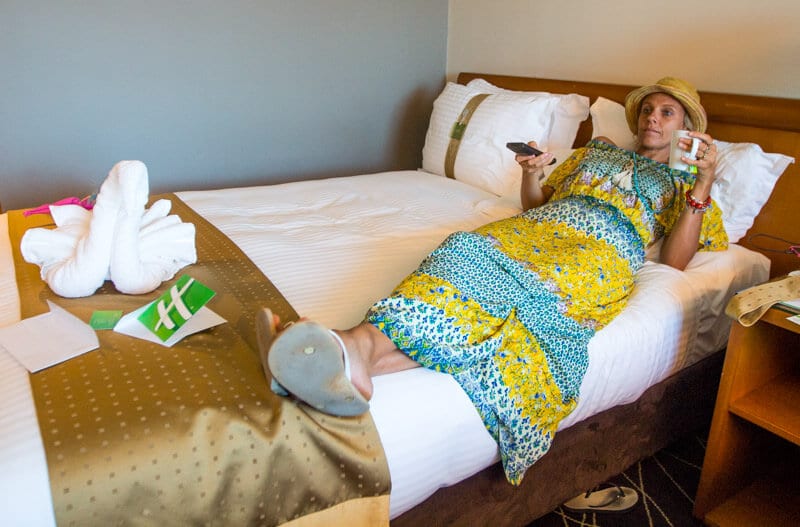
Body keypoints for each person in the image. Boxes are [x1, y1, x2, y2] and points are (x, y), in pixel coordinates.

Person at [255, 77, 728, 485]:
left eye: (667, 112)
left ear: (687, 127)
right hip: (541, 227)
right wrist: (534, 174)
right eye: (648, 109)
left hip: (599, 254)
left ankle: (350, 349)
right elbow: (535, 204)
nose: (652, 118)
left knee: (518, 297)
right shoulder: (596, 153)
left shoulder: (682, 184)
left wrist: (702, 182)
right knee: (464, 252)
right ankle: (353, 355)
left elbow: (677, 260)